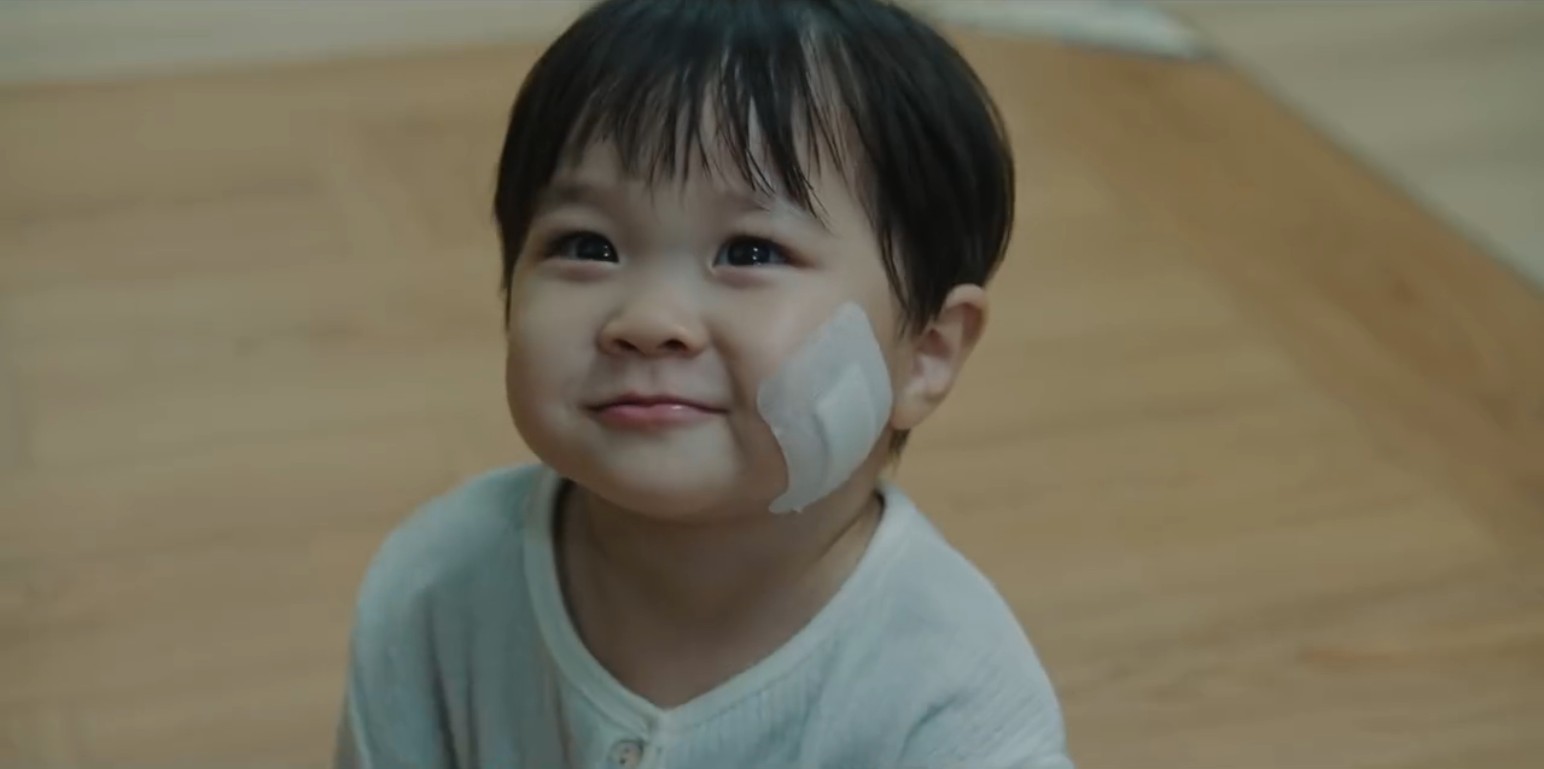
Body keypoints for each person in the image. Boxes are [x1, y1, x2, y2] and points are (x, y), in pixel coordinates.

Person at [335, 0, 1071, 767]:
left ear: (925, 352)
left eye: (750, 252)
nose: (648, 319)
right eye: (587, 245)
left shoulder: (954, 702)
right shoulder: (439, 585)